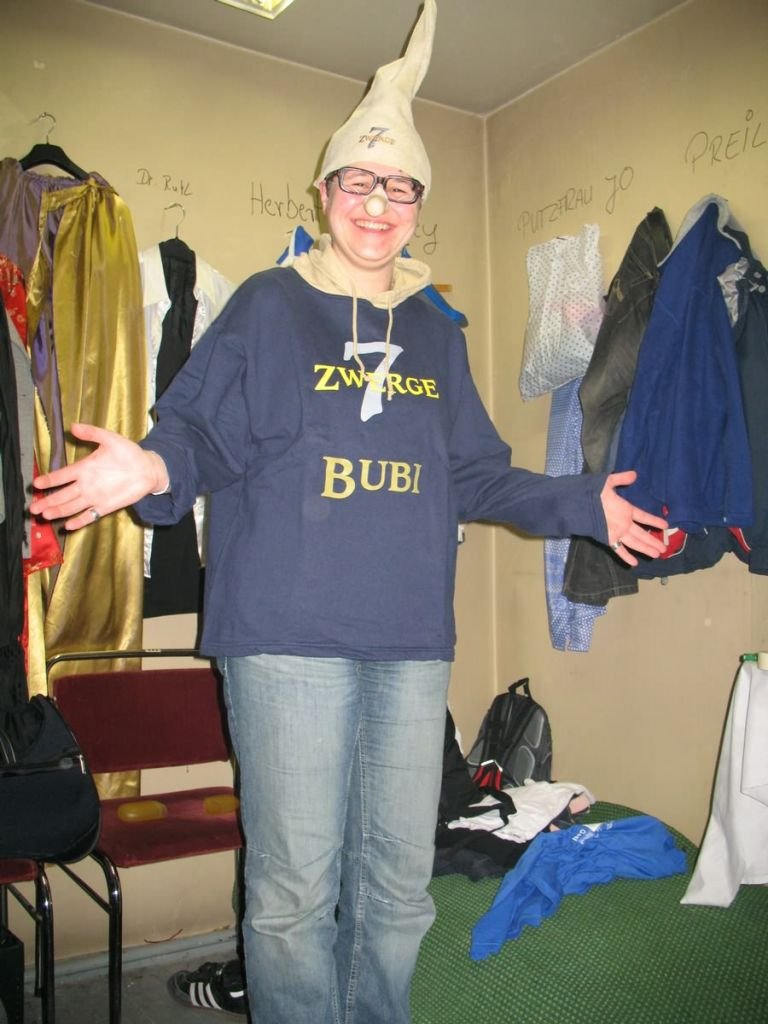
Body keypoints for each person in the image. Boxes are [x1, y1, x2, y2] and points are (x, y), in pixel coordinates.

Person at [29, 3, 667, 1021]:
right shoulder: (267, 305)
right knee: (293, 890)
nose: (378, 201)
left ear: (419, 203)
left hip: (407, 640)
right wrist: (151, 466)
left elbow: (477, 474)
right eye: (358, 180)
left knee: (398, 884)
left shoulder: (437, 330)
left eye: (400, 185)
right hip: (285, 639)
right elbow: (200, 432)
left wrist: (581, 499)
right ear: (325, 192)